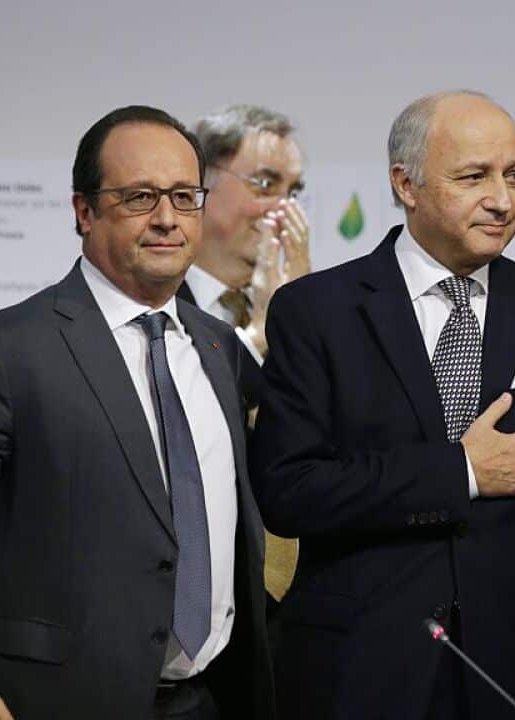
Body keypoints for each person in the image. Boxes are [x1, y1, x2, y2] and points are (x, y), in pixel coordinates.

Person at [0, 105, 273, 720]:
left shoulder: (217, 347)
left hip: (211, 699)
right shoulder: (7, 350)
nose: (167, 218)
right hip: (51, 700)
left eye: (184, 196)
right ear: (83, 211)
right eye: (140, 197)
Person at [251, 90, 515, 719]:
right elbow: (290, 490)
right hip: (359, 672)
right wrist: (462, 473)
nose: (502, 200)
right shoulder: (318, 312)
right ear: (406, 184)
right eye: (474, 177)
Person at [185, 104, 310, 605]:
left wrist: (303, 324)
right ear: (203, 184)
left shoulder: (310, 304)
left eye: (293, 193)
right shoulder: (153, 303)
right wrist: (260, 336)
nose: (283, 210)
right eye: (264, 184)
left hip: (286, 615)